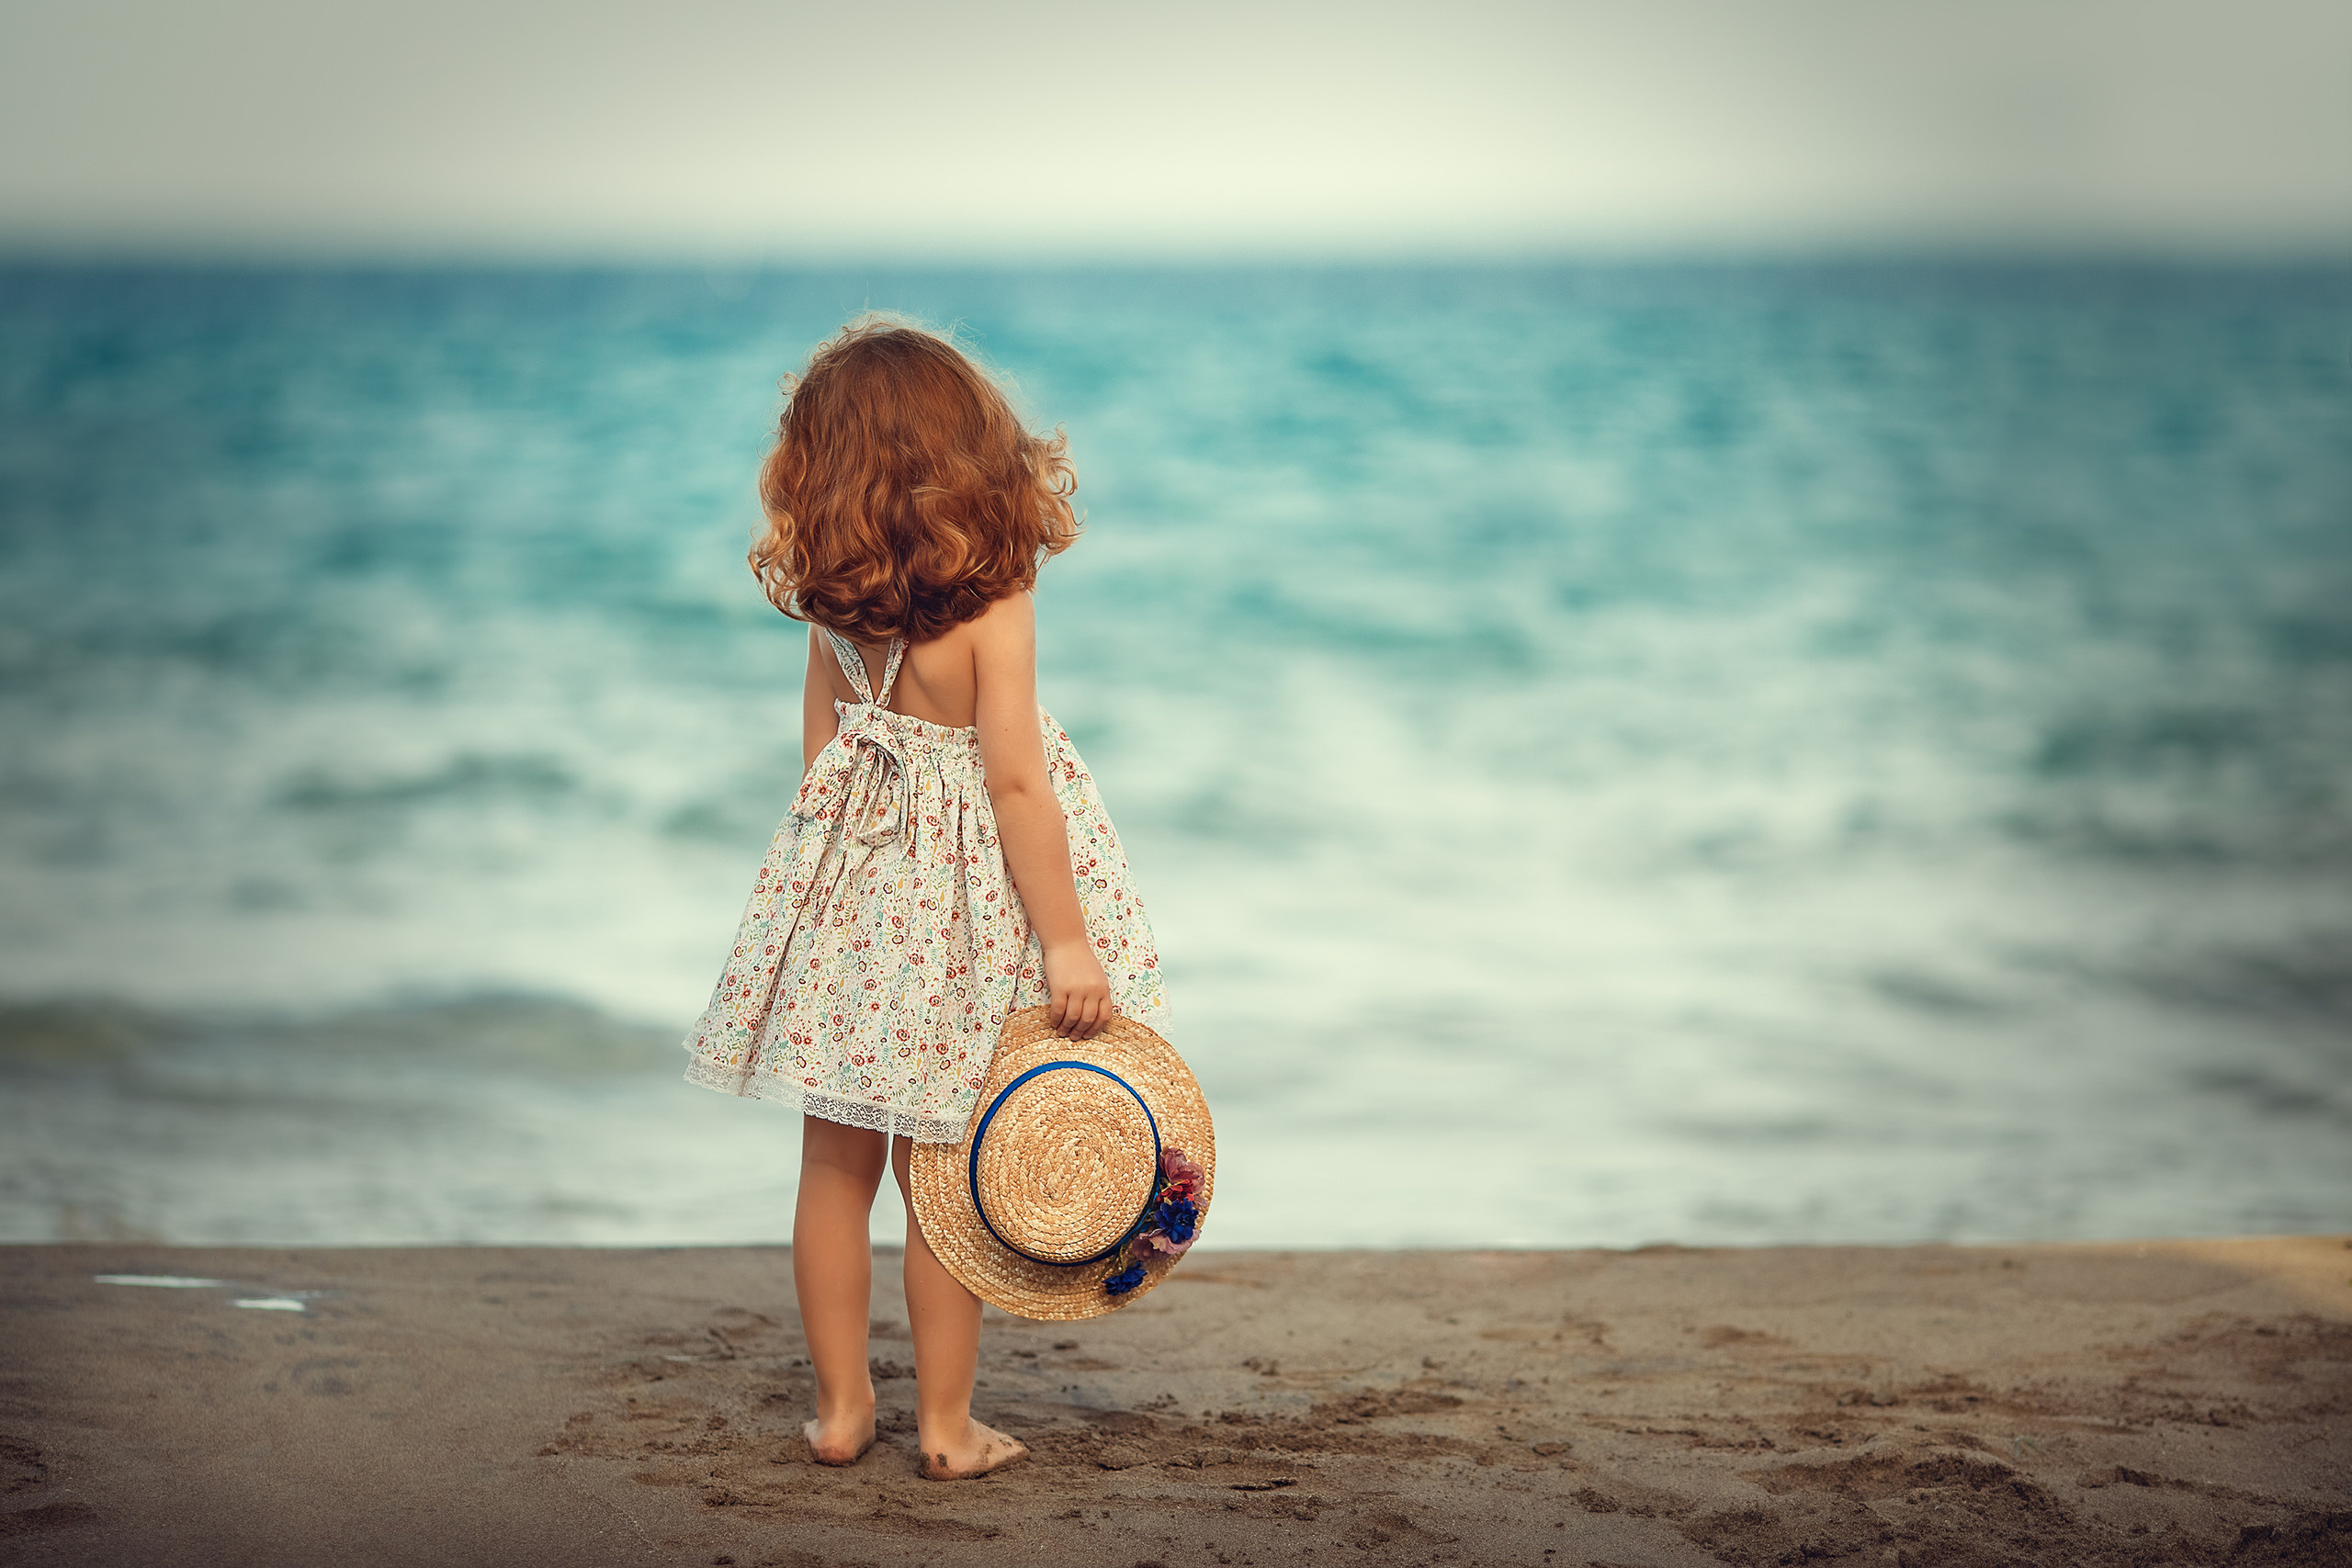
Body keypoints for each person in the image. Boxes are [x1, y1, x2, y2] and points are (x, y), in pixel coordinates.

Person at [680, 316, 1169, 1481]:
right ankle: (945, 1429)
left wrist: (833, 905)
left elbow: (822, 768)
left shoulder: (832, 606)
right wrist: (1066, 944)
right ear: (967, 453)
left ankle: (844, 1411)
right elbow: (1014, 786)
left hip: (852, 910)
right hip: (957, 923)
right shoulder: (993, 603)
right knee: (940, 1182)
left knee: (830, 1173)